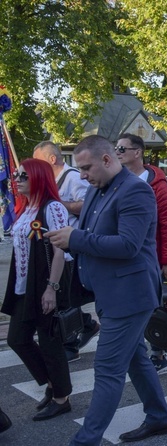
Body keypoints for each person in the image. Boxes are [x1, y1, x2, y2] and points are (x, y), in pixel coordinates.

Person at [45, 135, 167, 445]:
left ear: (106, 160)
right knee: (135, 359)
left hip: (130, 295)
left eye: (87, 168)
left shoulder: (136, 190)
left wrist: (74, 239)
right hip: (109, 292)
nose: (82, 175)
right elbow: (89, 234)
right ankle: (159, 417)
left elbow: (128, 245)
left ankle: (85, 440)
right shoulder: (95, 190)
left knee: (106, 368)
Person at [1, 159, 73, 422]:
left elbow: (60, 251)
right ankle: (54, 383)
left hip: (45, 284)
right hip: (23, 286)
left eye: (23, 176)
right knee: (17, 339)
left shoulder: (52, 207)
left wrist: (51, 289)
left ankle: (61, 398)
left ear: (38, 178)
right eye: (17, 175)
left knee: (50, 340)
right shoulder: (25, 208)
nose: (17, 179)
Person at [116, 133, 167, 374]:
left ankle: (157, 352)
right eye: (116, 148)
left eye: (123, 148)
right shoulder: (116, 181)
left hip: (150, 257)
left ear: (137, 152)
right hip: (125, 255)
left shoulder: (156, 185)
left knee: (152, 305)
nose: (118, 152)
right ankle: (136, 350)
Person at [33, 141, 99, 363]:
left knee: (65, 298)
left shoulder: (72, 177)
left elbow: (86, 205)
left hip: (71, 247)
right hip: (56, 246)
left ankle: (71, 342)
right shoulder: (51, 179)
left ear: (51, 159)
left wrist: (58, 203)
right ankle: (87, 324)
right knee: (65, 298)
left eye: (38, 160)